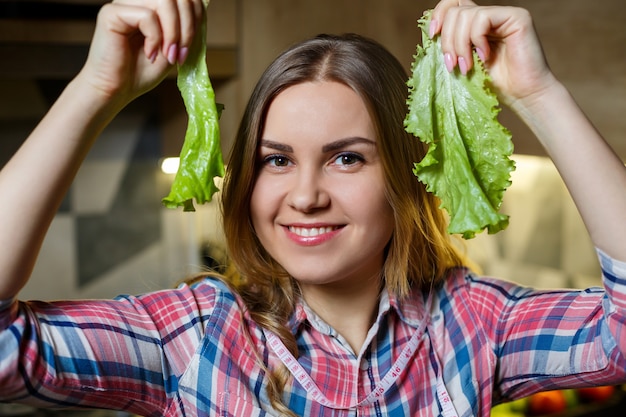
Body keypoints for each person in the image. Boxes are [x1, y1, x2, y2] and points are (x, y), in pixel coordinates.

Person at [1, 0, 625, 415]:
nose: (304, 195)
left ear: (405, 179)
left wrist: (538, 93)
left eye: (347, 158)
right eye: (277, 160)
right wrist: (95, 90)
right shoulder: (197, 335)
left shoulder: (472, 324)